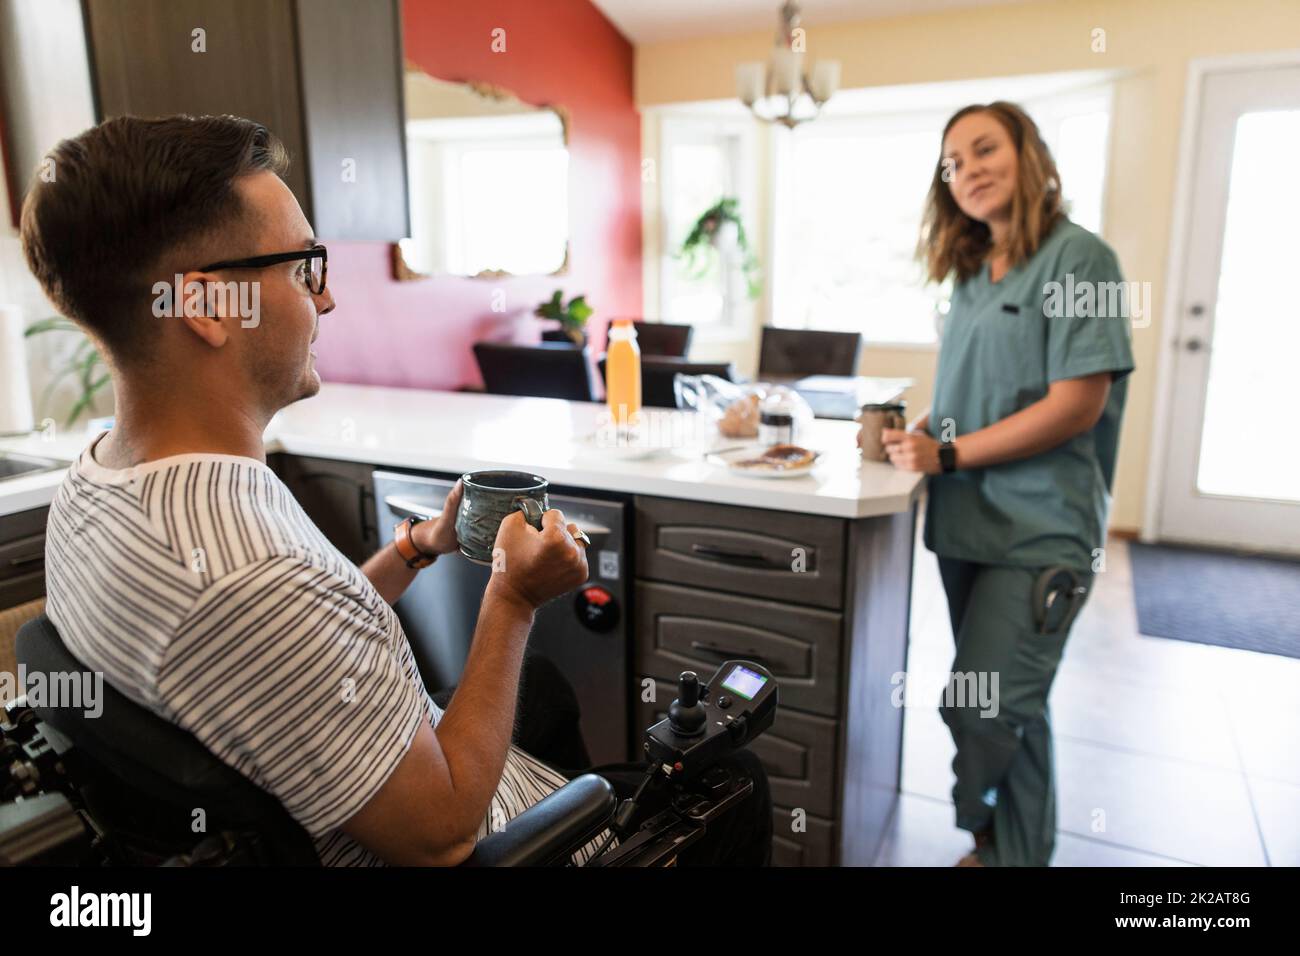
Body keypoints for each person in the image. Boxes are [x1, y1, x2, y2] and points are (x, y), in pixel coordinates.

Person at [20, 114, 769, 866]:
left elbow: (297, 642)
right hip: (461, 829)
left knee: (538, 685)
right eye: (303, 269)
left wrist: (419, 546)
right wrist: (511, 598)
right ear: (211, 307)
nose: (327, 300)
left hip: (368, 774)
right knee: (731, 775)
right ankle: (582, 838)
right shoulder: (254, 578)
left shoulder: (102, 483)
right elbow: (441, 832)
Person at [882, 102, 1135, 867]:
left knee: (980, 705)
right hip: (967, 527)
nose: (968, 170)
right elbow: (972, 389)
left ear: (1030, 154)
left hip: (1039, 532)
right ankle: (1009, 851)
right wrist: (925, 430)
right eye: (953, 162)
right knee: (1014, 705)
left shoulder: (1081, 259)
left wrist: (950, 458)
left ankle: (984, 829)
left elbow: (1075, 403)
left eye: (985, 148)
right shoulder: (970, 272)